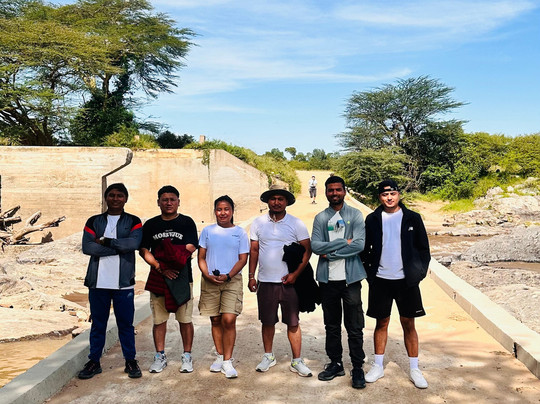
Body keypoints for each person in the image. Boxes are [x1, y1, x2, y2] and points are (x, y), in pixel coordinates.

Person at [361, 180, 431, 389]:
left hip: (406, 281)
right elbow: (364, 249)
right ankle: (378, 365)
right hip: (380, 280)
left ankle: (414, 368)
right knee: (381, 322)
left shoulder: (413, 218)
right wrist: (369, 274)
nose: (389, 198)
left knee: (409, 323)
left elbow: (423, 249)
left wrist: (418, 274)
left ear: (399, 195)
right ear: (379, 197)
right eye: (385, 195)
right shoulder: (372, 219)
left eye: (392, 193)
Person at [79, 183, 143, 379]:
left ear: (126, 199)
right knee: (98, 324)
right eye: (112, 195)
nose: (116, 199)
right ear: (106, 198)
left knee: (126, 324)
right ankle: (94, 361)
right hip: (98, 282)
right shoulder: (94, 221)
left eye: (120, 195)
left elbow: (133, 243)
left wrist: (106, 242)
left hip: (123, 283)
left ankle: (130, 360)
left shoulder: (133, 221)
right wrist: (119, 248)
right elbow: (88, 247)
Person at [248, 184, 313, 377]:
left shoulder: (296, 223)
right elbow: (254, 250)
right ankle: (268, 356)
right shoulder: (258, 223)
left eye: (280, 199)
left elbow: (307, 250)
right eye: (273, 198)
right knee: (267, 321)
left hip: (289, 282)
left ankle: (297, 360)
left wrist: (295, 274)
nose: (276, 202)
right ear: (268, 201)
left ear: (286, 202)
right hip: (265, 281)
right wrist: (251, 276)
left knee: (293, 322)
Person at [311, 175, 367, 389]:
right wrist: (345, 242)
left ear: (344, 191)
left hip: (350, 280)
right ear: (326, 192)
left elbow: (359, 245)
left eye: (338, 189)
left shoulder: (355, 215)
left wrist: (331, 253)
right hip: (328, 280)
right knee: (331, 325)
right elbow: (316, 246)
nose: (334, 193)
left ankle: (357, 367)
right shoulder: (321, 218)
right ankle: (335, 363)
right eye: (330, 190)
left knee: (355, 326)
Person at [140, 185, 198, 374]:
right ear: (158, 202)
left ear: (178, 202)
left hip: (182, 277)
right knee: (159, 320)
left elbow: (191, 247)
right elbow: (144, 250)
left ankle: (187, 355)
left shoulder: (187, 222)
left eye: (172, 199)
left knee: (185, 319)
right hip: (159, 277)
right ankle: (160, 356)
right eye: (165, 199)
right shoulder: (151, 224)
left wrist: (168, 256)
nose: (169, 203)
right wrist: (160, 267)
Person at [198, 195, 249, 379]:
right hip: (210, 280)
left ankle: (228, 360)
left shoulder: (240, 233)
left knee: (228, 319)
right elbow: (201, 257)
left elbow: (243, 259)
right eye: (219, 209)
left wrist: (228, 275)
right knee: (215, 319)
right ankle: (220, 356)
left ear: (232, 211)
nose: (223, 213)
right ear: (215, 211)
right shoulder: (207, 231)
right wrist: (207, 275)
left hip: (231, 280)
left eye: (226, 209)